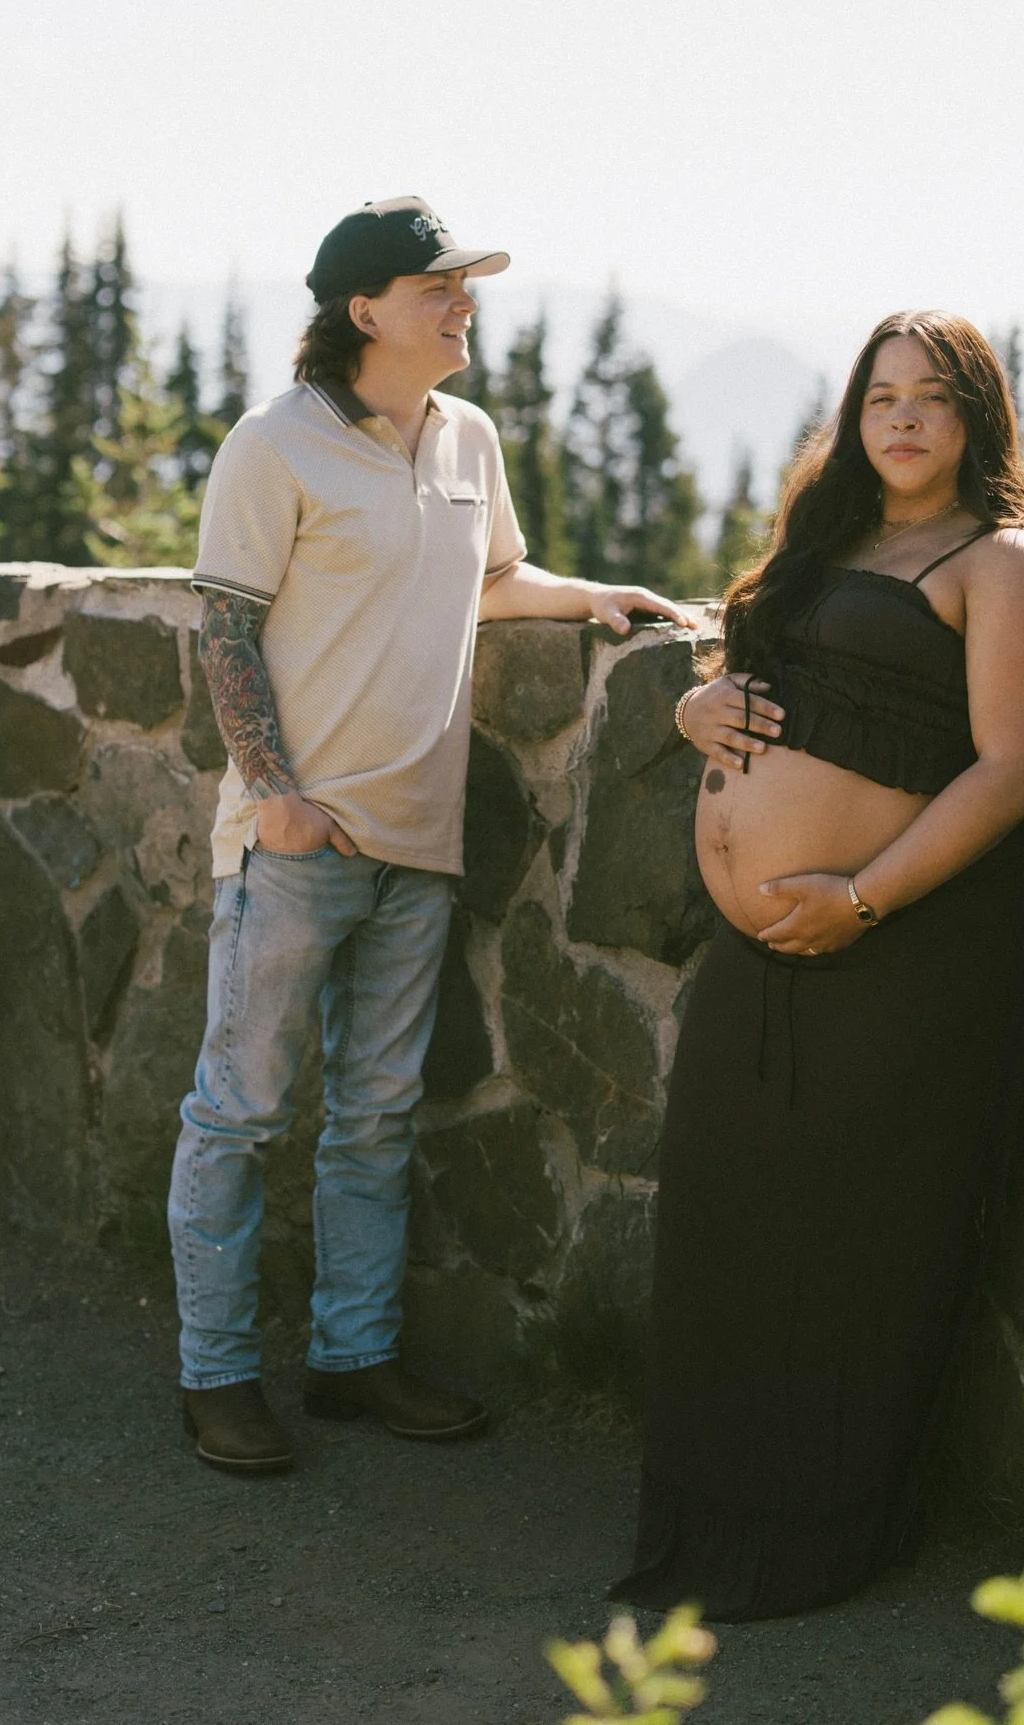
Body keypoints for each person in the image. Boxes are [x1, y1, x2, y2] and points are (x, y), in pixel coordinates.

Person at [169, 196, 690, 1474]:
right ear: (364, 310)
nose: (465, 305)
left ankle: (353, 1360)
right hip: (298, 842)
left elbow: (492, 582)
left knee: (376, 1118)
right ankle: (216, 1378)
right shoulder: (274, 444)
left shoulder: (469, 437)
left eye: (467, 286)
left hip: (421, 841)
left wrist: (595, 596)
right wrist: (277, 794)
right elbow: (225, 626)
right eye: (439, 288)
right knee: (240, 1115)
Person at [612, 311, 1024, 1620]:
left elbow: (1016, 768)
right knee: (725, 1222)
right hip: (758, 953)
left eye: (933, 397)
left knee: (852, 1249)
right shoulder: (825, 543)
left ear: (976, 419)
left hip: (904, 954)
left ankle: (816, 1542)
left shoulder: (1006, 564)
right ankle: (713, 1518)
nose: (904, 418)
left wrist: (864, 899)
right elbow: (751, 679)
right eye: (881, 396)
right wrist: (693, 703)